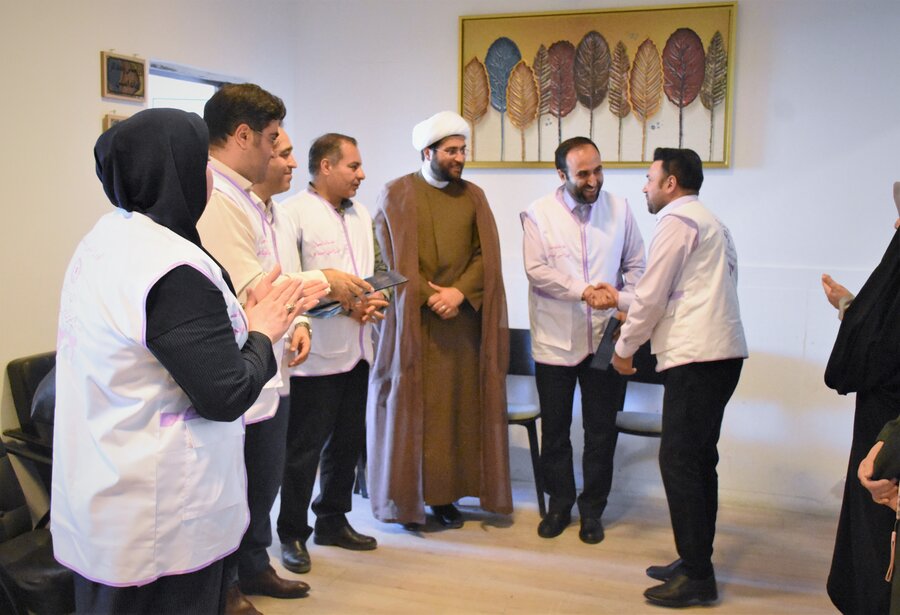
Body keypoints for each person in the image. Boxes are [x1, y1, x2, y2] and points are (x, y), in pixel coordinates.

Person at [51, 108, 306, 614]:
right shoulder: (171, 268)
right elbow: (225, 393)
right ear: (177, 170)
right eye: (202, 161)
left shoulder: (109, 238)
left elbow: (171, 345)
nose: (210, 174)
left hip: (105, 490)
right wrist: (264, 331)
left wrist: (243, 322)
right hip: (161, 515)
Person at [197, 85, 335, 613]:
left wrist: (297, 317)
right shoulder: (218, 196)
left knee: (262, 482)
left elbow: (273, 274)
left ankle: (254, 566)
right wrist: (330, 282)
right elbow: (254, 287)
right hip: (238, 363)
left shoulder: (250, 199)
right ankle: (229, 584)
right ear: (243, 136)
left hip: (267, 361)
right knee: (236, 488)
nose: (280, 153)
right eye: (273, 139)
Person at [611, 147, 747, 608]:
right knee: (698, 461)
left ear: (670, 183)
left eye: (649, 179)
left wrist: (623, 350)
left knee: (680, 463)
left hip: (697, 357)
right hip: (721, 354)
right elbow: (682, 292)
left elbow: (653, 296)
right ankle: (694, 560)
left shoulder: (676, 220)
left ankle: (698, 575)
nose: (645, 187)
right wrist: (618, 297)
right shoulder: (713, 223)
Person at [369, 110, 511, 528]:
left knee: (455, 415)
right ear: (427, 152)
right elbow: (385, 263)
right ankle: (407, 500)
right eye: (451, 150)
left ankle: (445, 497)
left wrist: (458, 293)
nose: (460, 157)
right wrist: (431, 296)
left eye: (463, 150)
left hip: (461, 328)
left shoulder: (474, 197)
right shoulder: (395, 194)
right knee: (414, 414)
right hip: (412, 327)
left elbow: (487, 256)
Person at [521, 136, 645, 542]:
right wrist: (583, 290)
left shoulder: (620, 209)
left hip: (606, 337)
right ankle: (560, 505)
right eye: (583, 174)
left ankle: (593, 511)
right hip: (554, 339)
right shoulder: (538, 214)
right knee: (555, 429)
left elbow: (637, 265)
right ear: (561, 174)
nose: (594, 181)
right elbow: (537, 271)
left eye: (598, 170)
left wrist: (624, 303)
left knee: (600, 430)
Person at [276, 133, 388, 573]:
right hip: (315, 356)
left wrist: (376, 299)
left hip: (358, 351)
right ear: (325, 166)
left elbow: (374, 272)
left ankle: (333, 520)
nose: (361, 175)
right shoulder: (293, 215)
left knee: (347, 443)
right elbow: (289, 284)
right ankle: (291, 532)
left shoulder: (360, 214)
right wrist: (344, 305)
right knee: (303, 451)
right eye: (353, 166)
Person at [823, 217, 900, 615]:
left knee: (879, 548)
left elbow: (880, 347)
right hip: (881, 430)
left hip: (890, 438)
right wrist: (850, 307)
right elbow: (883, 333)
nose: (896, 222)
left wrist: (852, 312)